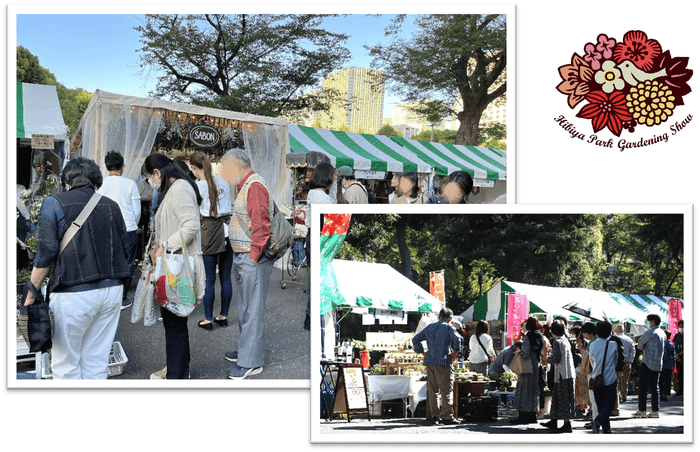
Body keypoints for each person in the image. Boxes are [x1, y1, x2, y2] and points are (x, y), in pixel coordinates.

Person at [24, 157, 130, 379]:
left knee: (67, 365)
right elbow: (125, 247)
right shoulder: (113, 206)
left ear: (67, 181)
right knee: (97, 361)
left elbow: (46, 253)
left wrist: (30, 294)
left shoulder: (54, 203)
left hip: (73, 293)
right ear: (96, 181)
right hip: (111, 292)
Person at [142, 153, 205, 380]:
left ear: (157, 173)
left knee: (175, 323)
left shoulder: (178, 189)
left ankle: (177, 376)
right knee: (174, 322)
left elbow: (191, 226)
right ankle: (177, 370)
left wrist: (163, 247)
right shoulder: (177, 188)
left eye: (149, 177)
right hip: (173, 264)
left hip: (177, 267)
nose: (150, 182)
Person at [220, 148, 275, 380]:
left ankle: (251, 362)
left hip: (251, 257)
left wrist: (253, 256)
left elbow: (262, 226)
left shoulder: (254, 186)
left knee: (251, 310)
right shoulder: (248, 185)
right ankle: (245, 351)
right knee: (245, 308)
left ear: (237, 165)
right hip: (244, 256)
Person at [190, 152, 233, 331]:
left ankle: (208, 319)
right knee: (225, 277)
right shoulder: (222, 181)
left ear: (194, 168)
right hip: (227, 231)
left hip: (209, 231)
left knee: (209, 279)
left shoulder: (198, 186)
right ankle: (223, 316)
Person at [97, 150, 141, 310]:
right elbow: (137, 211)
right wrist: (132, 224)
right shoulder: (130, 184)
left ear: (107, 166)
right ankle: (122, 298)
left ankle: (109, 297)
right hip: (128, 228)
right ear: (122, 166)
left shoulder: (100, 185)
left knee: (109, 261)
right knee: (128, 263)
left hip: (107, 229)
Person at [412, 307, 462, 426]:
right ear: (450, 319)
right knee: (446, 390)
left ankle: (435, 416)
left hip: (430, 361)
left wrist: (423, 351)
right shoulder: (449, 327)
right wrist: (454, 353)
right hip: (444, 361)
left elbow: (415, 339)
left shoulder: (430, 327)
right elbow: (458, 339)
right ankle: (447, 416)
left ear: (439, 316)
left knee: (433, 391)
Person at [304, 162, 336, 330]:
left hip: (310, 236)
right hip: (321, 238)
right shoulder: (324, 199)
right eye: (333, 175)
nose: (335, 178)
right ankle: (312, 316)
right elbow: (334, 219)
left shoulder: (311, 193)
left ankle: (310, 316)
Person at [541, 320, 576, 433]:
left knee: (563, 399)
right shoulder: (565, 340)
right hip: (567, 373)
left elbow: (556, 358)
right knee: (557, 398)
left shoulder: (558, 342)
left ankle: (566, 423)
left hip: (562, 375)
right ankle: (554, 420)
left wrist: (547, 359)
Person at [510, 317, 545, 425]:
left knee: (524, 390)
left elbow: (525, 353)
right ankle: (533, 415)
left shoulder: (528, 336)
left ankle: (522, 415)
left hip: (527, 366)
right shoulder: (540, 335)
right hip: (536, 366)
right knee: (534, 391)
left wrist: (518, 352)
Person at [588, 321, 618, 433]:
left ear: (596, 332)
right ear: (610, 332)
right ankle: (598, 422)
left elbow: (592, 361)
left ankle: (607, 430)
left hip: (596, 379)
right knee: (609, 406)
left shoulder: (592, 345)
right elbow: (615, 361)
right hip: (610, 378)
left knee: (601, 406)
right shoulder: (613, 344)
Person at [633, 314, 665, 418]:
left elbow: (640, 345)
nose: (647, 323)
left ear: (653, 322)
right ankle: (655, 411)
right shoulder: (662, 333)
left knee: (643, 387)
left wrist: (645, 347)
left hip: (647, 362)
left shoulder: (650, 332)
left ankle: (642, 410)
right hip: (658, 363)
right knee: (655, 388)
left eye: (648, 321)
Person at [577, 322, 598, 426]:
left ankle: (595, 420)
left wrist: (582, 350)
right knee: (596, 398)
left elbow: (588, 357)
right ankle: (596, 420)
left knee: (593, 398)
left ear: (589, 333)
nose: (584, 336)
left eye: (584, 333)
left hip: (592, 373)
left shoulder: (592, 343)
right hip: (597, 373)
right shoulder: (597, 342)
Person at [614, 324, 635, 403]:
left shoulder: (615, 339)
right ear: (624, 330)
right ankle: (624, 396)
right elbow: (633, 351)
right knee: (625, 381)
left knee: (616, 380)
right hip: (627, 362)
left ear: (616, 331)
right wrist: (630, 361)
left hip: (616, 362)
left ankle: (617, 395)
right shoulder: (629, 339)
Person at [659, 330, 676, 401]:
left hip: (663, 365)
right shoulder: (671, 345)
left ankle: (662, 394)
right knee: (667, 380)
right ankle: (666, 393)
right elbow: (673, 356)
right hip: (670, 365)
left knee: (661, 380)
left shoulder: (662, 344)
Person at [672, 319, 684, 396]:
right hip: (678, 358)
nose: (681, 328)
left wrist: (680, 354)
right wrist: (676, 355)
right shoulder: (677, 335)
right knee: (680, 374)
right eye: (680, 326)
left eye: (682, 327)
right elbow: (674, 345)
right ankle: (680, 390)